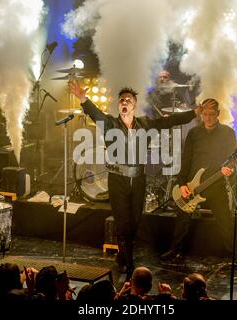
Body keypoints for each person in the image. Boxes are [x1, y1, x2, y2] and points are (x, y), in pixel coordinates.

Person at [69, 80, 200, 280]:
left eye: (128, 100)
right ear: (119, 105)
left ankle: (122, 257)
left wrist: (194, 113)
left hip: (138, 180)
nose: (125, 102)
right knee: (123, 224)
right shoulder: (111, 123)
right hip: (118, 180)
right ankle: (129, 266)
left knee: (134, 223)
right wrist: (83, 98)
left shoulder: (145, 124)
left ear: (134, 106)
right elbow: (95, 114)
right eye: (122, 100)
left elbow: (169, 121)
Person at [160, 98, 237, 271]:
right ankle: (175, 251)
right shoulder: (193, 133)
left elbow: (232, 158)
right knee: (182, 219)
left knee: (225, 220)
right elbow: (186, 159)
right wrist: (182, 183)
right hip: (193, 185)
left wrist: (229, 169)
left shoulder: (227, 133)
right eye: (204, 114)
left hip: (215, 184)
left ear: (218, 115)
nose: (207, 118)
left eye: (211, 115)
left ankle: (235, 256)